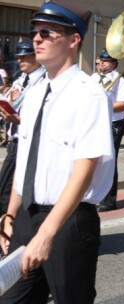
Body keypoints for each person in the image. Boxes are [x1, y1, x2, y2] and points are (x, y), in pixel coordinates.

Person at [0, 0, 114, 302]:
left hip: (68, 223)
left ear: (73, 40)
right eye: (35, 31)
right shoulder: (35, 93)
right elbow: (25, 162)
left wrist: (47, 234)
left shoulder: (88, 94)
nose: (36, 38)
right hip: (27, 216)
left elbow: (84, 170)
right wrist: (9, 215)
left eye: (47, 33)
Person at [0, 39, 44, 216]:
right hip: (16, 140)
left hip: (33, 142)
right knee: (6, 188)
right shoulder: (20, 81)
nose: (21, 60)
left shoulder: (44, 81)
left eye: (26, 56)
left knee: (13, 190)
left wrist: (20, 119)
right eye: (19, 57)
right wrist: (9, 103)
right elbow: (10, 105)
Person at [92, 49, 124, 212]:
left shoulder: (119, 81)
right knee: (93, 160)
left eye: (105, 60)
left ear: (114, 63)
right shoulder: (93, 78)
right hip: (95, 123)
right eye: (100, 60)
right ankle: (95, 195)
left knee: (109, 162)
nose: (101, 63)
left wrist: (102, 106)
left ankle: (109, 200)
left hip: (113, 124)